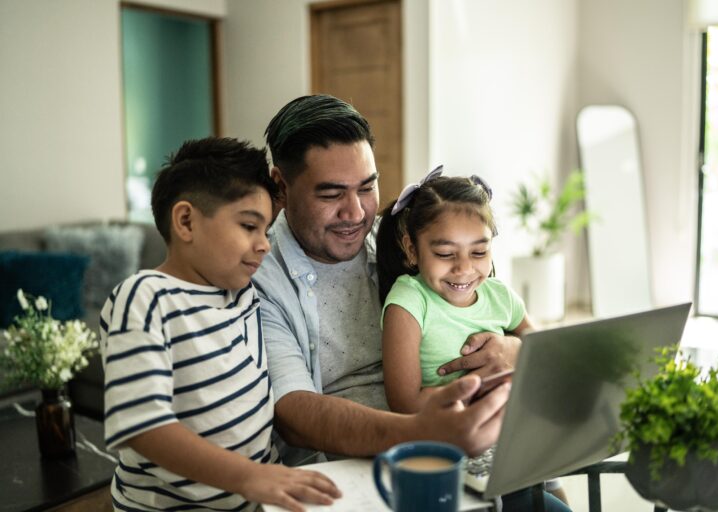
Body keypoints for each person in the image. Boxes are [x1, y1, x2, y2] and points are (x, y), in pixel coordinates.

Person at [254, 95, 570, 511]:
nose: (356, 212)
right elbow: (295, 415)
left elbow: (487, 306)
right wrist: (427, 430)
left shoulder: (398, 239)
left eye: (367, 187)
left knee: (551, 498)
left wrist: (513, 350)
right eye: (331, 194)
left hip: (460, 433)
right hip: (362, 469)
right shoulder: (259, 278)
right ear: (281, 187)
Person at [99, 137, 341, 512]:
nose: (264, 244)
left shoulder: (243, 295)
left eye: (266, 231)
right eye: (248, 226)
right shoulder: (146, 298)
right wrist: (249, 477)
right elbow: (143, 426)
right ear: (186, 221)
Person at [376, 167, 569, 507]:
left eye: (479, 252)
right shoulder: (409, 300)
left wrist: (519, 354)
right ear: (412, 249)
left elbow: (543, 354)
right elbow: (404, 403)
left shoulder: (499, 295)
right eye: (445, 254)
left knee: (554, 493)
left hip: (512, 438)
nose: (464, 268)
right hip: (452, 446)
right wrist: (478, 392)